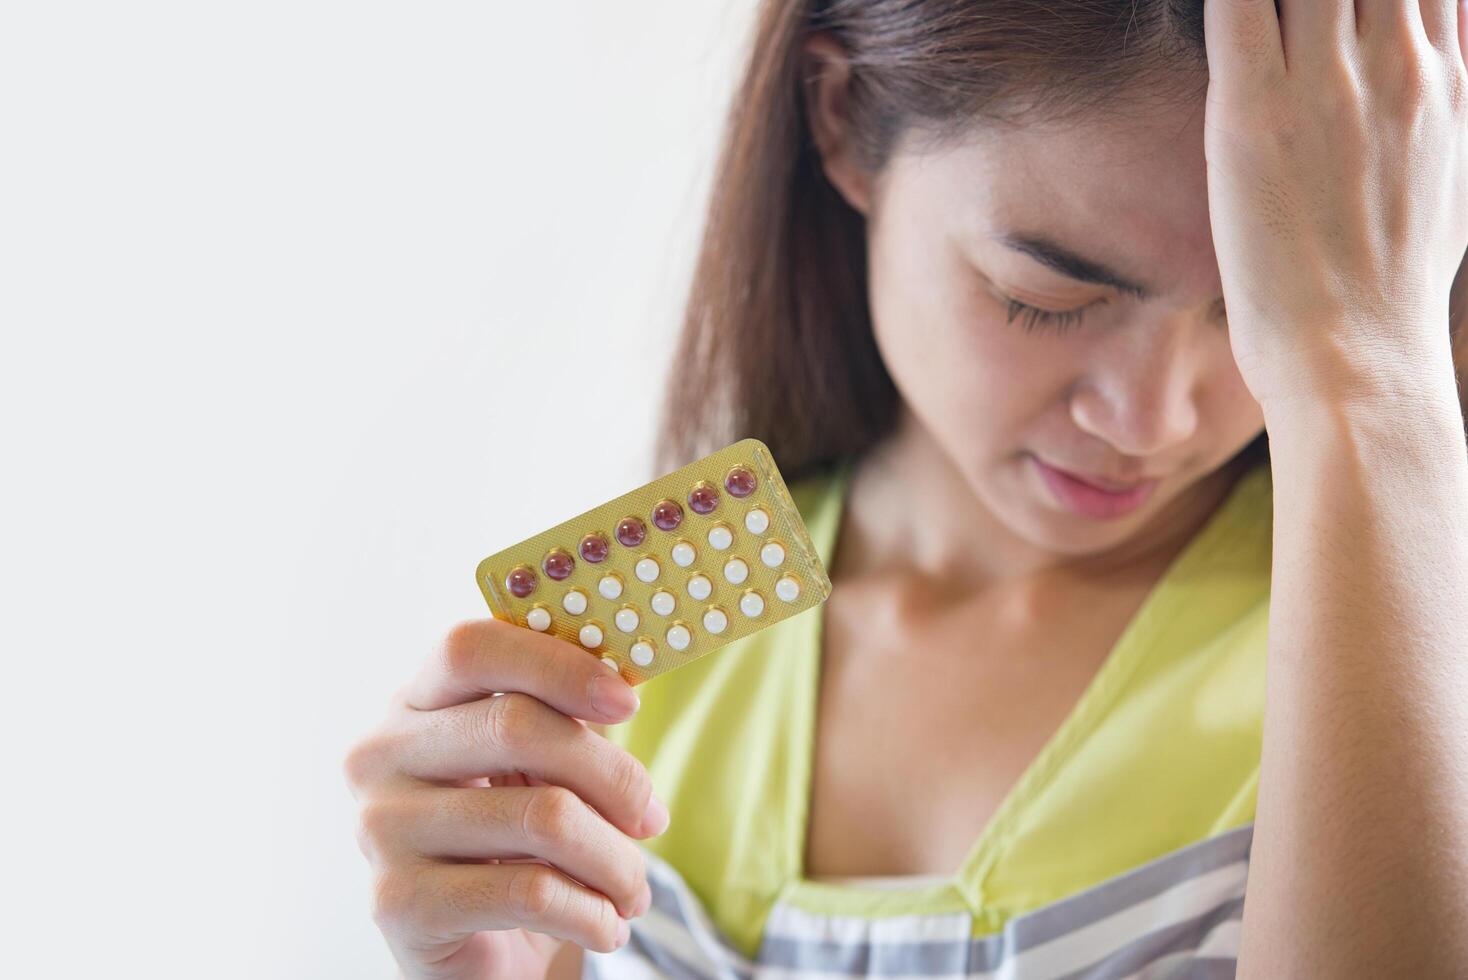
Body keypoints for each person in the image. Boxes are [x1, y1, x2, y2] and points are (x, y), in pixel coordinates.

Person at [344, 0, 1468, 976]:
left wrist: (1365, 380)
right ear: (839, 119)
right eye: (1046, 295)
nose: (1153, 420)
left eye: (1256, 317)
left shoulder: (1406, 642)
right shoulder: (639, 632)